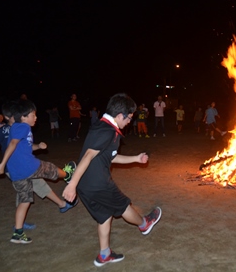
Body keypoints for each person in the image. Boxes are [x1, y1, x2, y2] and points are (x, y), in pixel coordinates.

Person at [62, 93, 162, 267]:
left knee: (104, 216)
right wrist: (71, 185)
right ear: (119, 115)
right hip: (98, 184)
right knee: (123, 206)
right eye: (129, 117)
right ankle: (145, 224)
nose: (130, 121)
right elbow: (88, 156)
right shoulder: (106, 131)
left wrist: (136, 158)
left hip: (87, 186)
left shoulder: (106, 127)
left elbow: (109, 157)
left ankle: (104, 254)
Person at [0, 99, 77, 244]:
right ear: (24, 117)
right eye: (33, 115)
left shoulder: (15, 127)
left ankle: (18, 233)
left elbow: (23, 146)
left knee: (24, 200)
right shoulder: (24, 127)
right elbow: (13, 144)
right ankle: (68, 174)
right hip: (28, 166)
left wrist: (38, 146)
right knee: (51, 169)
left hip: (16, 173)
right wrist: (1, 164)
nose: (36, 117)